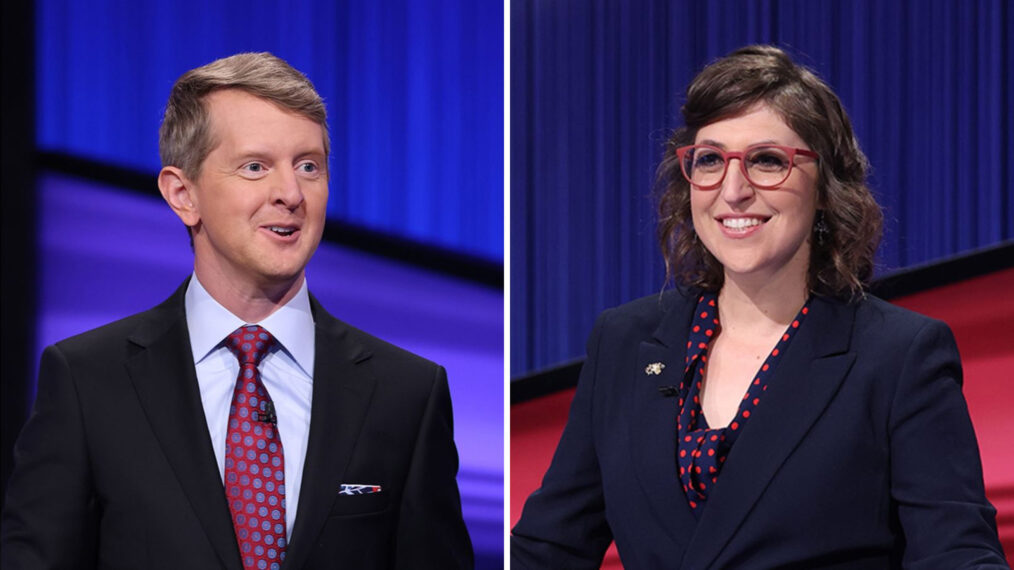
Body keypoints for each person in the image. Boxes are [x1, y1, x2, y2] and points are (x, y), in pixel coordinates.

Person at [511, 45, 1007, 568]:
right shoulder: (624, 342)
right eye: (709, 160)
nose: (733, 190)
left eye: (767, 161)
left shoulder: (899, 355)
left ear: (825, 188)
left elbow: (956, 554)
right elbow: (549, 548)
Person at [1, 52, 473, 569]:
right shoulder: (87, 381)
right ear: (183, 194)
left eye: (308, 166)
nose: (291, 194)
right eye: (255, 167)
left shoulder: (407, 393)